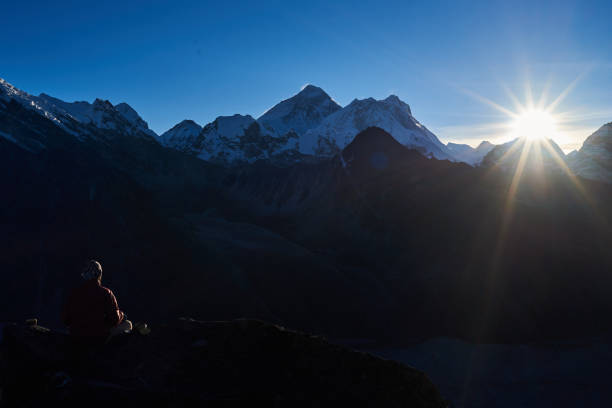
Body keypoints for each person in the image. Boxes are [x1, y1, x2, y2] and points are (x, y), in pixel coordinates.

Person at [62, 260, 132, 344]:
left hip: (76, 337)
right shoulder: (106, 293)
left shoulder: (74, 293)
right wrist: (121, 315)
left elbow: (65, 319)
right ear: (99, 274)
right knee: (128, 324)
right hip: (98, 338)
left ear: (84, 275)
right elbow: (114, 319)